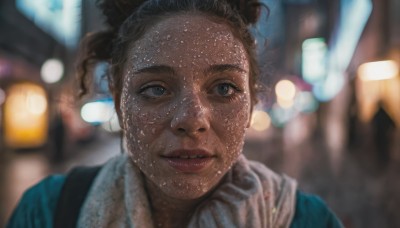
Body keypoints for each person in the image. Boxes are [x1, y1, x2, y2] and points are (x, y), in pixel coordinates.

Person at [7, 0, 343, 227]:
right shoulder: (48, 212)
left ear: (251, 100)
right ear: (118, 98)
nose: (192, 119)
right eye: (155, 89)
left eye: (224, 88)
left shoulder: (307, 220)